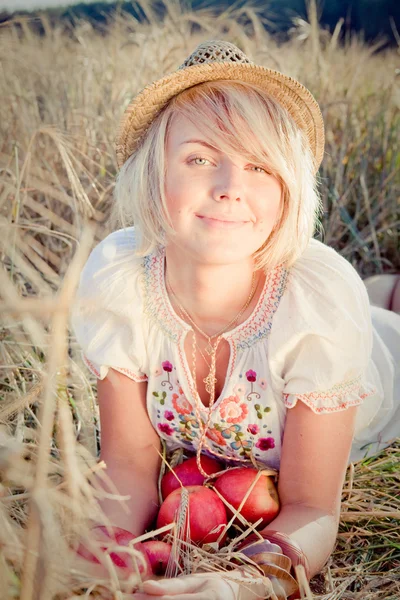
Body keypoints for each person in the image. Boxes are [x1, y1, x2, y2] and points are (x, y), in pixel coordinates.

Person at [71, 40, 400, 600]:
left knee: (382, 309)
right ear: (156, 173)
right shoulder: (120, 278)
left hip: (383, 358)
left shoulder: (315, 302)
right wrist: (105, 550)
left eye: (258, 165)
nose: (229, 186)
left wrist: (244, 584)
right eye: (199, 158)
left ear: (287, 188)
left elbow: (310, 506)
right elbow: (126, 465)